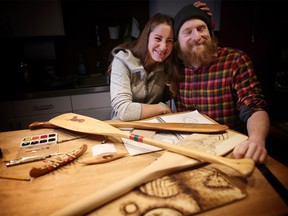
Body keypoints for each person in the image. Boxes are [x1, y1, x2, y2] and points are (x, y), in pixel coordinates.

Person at [170, 4, 270, 164]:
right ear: (177, 42)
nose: (197, 36)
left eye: (202, 28)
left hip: (231, 152)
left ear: (210, 32)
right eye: (188, 32)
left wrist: (256, 140)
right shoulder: (173, 67)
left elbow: (254, 108)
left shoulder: (235, 60)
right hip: (188, 152)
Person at [108, 2, 211, 121]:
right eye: (158, 38)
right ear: (147, 37)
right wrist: (162, 107)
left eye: (169, 41)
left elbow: (197, 50)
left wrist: (195, 14)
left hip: (154, 128)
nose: (163, 47)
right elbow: (124, 111)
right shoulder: (122, 60)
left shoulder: (169, 64)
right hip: (123, 129)